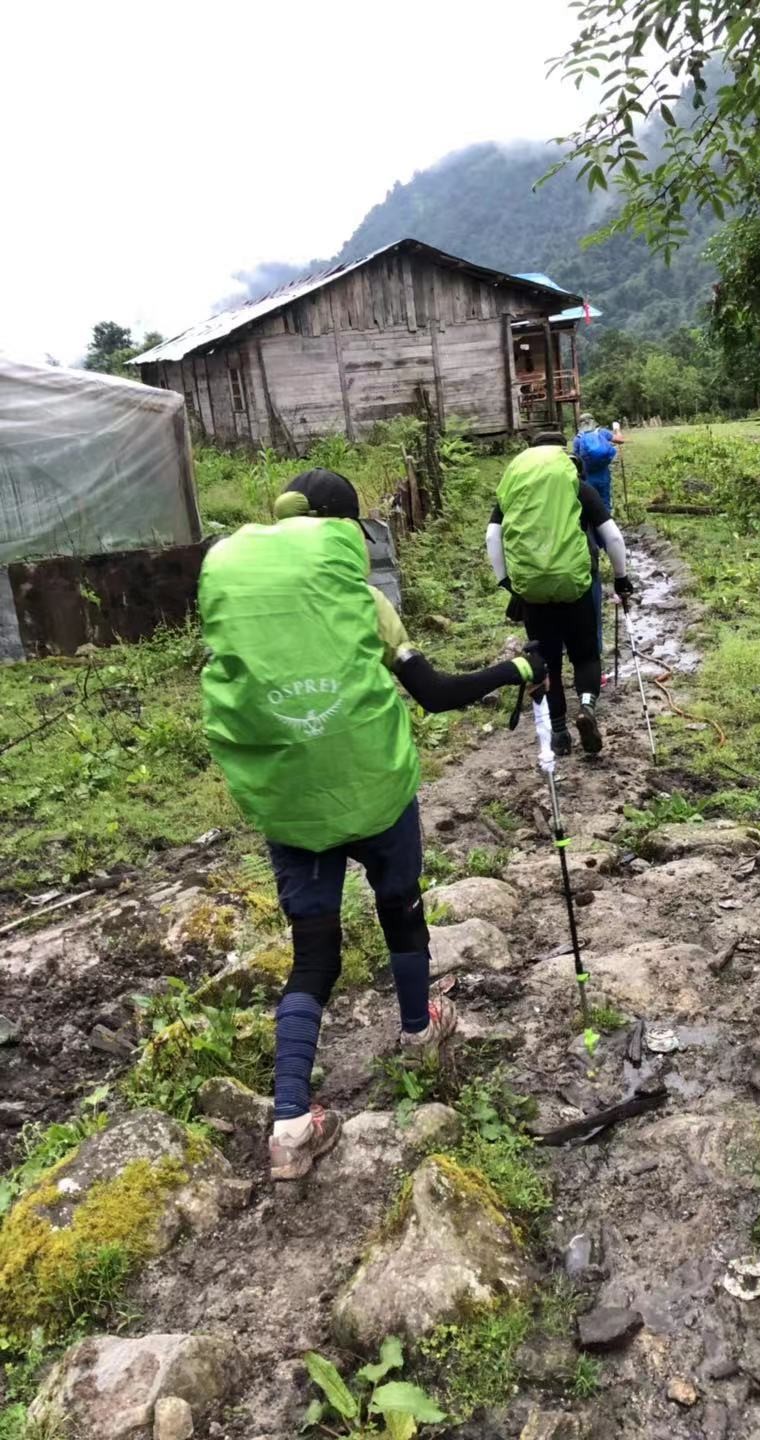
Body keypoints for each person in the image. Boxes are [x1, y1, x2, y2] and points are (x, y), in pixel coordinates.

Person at [198, 468, 547, 1182]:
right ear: (342, 535)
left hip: (291, 803)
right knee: (400, 910)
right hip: (376, 794)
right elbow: (437, 695)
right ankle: (420, 1030)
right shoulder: (366, 603)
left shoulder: (238, 607)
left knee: (314, 956)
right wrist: (514, 668)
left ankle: (291, 1124)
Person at [486, 432, 632, 758]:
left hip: (533, 592)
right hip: (576, 584)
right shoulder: (576, 484)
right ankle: (587, 708)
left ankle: (560, 732)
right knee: (585, 655)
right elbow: (613, 538)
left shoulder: (515, 488)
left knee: (547, 661)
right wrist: (621, 579)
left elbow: (492, 537)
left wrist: (507, 583)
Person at [572, 415, 624, 659]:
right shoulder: (602, 433)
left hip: (587, 483)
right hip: (603, 480)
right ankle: (605, 547)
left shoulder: (578, 438)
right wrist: (617, 430)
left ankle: (592, 540)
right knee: (605, 515)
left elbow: (576, 462)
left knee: (589, 518)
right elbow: (620, 441)